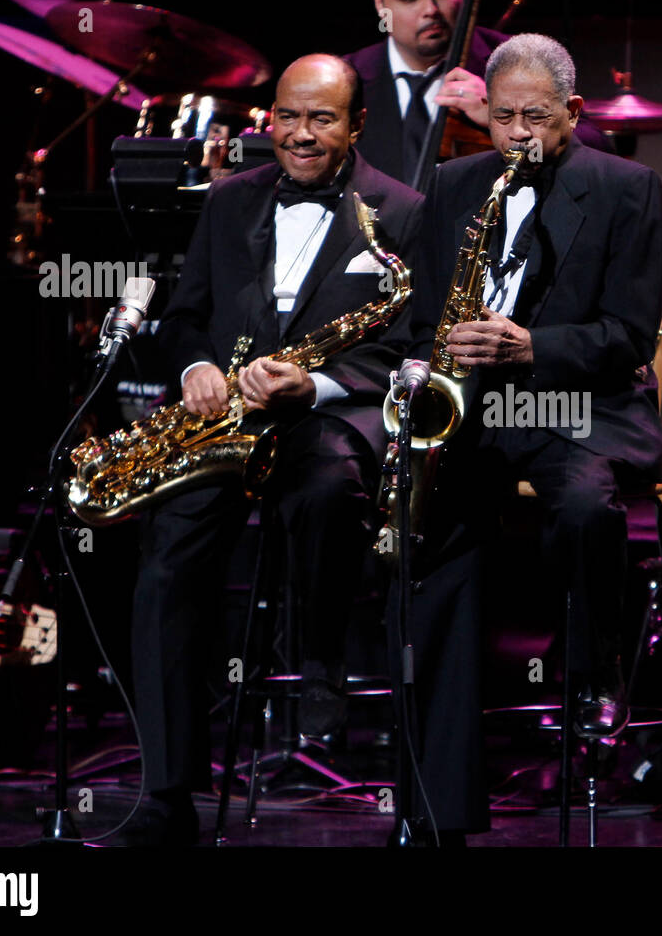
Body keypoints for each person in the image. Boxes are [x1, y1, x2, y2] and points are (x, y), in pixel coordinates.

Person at [125, 54, 423, 845]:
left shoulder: (405, 210)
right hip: (226, 423)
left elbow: (410, 351)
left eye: (321, 118)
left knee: (328, 487)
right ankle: (165, 793)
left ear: (355, 125)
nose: (300, 134)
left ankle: (319, 661)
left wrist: (314, 386)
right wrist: (193, 369)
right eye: (287, 116)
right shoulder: (228, 202)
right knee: (166, 554)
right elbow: (186, 318)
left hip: (327, 415)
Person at [386, 33, 662, 844]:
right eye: (502, 118)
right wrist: (420, 365)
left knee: (583, 505)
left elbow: (628, 335)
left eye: (535, 119)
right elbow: (422, 311)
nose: (517, 134)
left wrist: (531, 346)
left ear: (573, 114)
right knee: (427, 529)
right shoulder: (452, 183)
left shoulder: (626, 188)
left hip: (574, 401)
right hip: (470, 406)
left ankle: (593, 668)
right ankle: (437, 804)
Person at [345, 0, 609, 185]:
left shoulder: (517, 59)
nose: (430, 10)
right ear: (380, 3)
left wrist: (501, 114)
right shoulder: (346, 76)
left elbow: (597, 145)